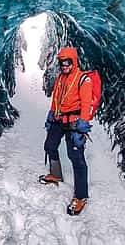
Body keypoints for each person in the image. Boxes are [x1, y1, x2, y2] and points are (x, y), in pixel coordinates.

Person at [40, 46, 93, 216]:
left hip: (75, 123)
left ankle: (81, 196)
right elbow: (56, 98)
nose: (64, 65)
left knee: (76, 158)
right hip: (59, 120)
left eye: (68, 61)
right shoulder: (60, 78)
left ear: (74, 61)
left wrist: (82, 127)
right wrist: (51, 116)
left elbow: (86, 105)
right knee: (49, 146)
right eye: (62, 62)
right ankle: (56, 175)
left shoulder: (83, 80)